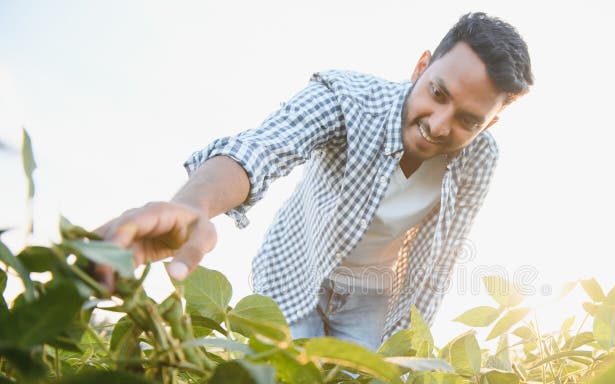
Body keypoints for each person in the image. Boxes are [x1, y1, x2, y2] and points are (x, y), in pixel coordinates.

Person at [95, 12, 533, 352]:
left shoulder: (481, 158)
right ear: (421, 66)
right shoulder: (348, 99)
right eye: (438, 94)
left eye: (468, 121)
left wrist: (398, 353)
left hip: (371, 296)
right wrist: (194, 205)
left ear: (492, 122)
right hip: (296, 270)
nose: (438, 126)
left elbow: (439, 265)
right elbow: (263, 148)